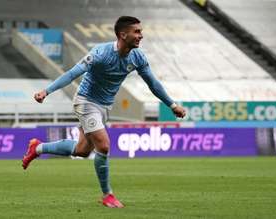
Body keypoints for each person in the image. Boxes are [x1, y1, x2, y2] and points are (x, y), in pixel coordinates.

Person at [22, 16, 186, 208]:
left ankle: (38, 148)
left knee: (82, 150)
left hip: (104, 107)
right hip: (86, 102)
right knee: (104, 145)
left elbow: (152, 83)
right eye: (137, 32)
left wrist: (172, 105)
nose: (141, 36)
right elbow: (73, 73)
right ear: (123, 34)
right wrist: (46, 91)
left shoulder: (138, 57)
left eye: (140, 32)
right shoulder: (101, 53)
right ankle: (108, 195)